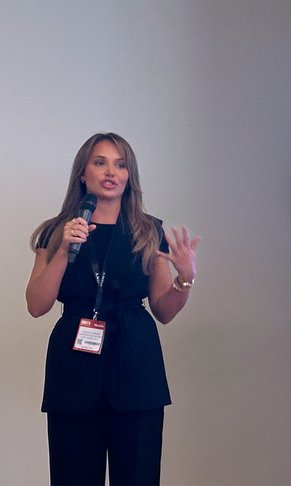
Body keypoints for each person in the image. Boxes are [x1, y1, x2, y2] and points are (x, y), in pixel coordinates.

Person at [25, 132, 200, 485]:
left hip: (136, 366)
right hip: (73, 368)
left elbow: (164, 310)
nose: (111, 172)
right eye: (100, 162)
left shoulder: (148, 230)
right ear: (82, 173)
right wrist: (63, 250)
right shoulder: (57, 231)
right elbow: (37, 305)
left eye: (120, 165)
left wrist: (185, 279)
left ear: (129, 176)